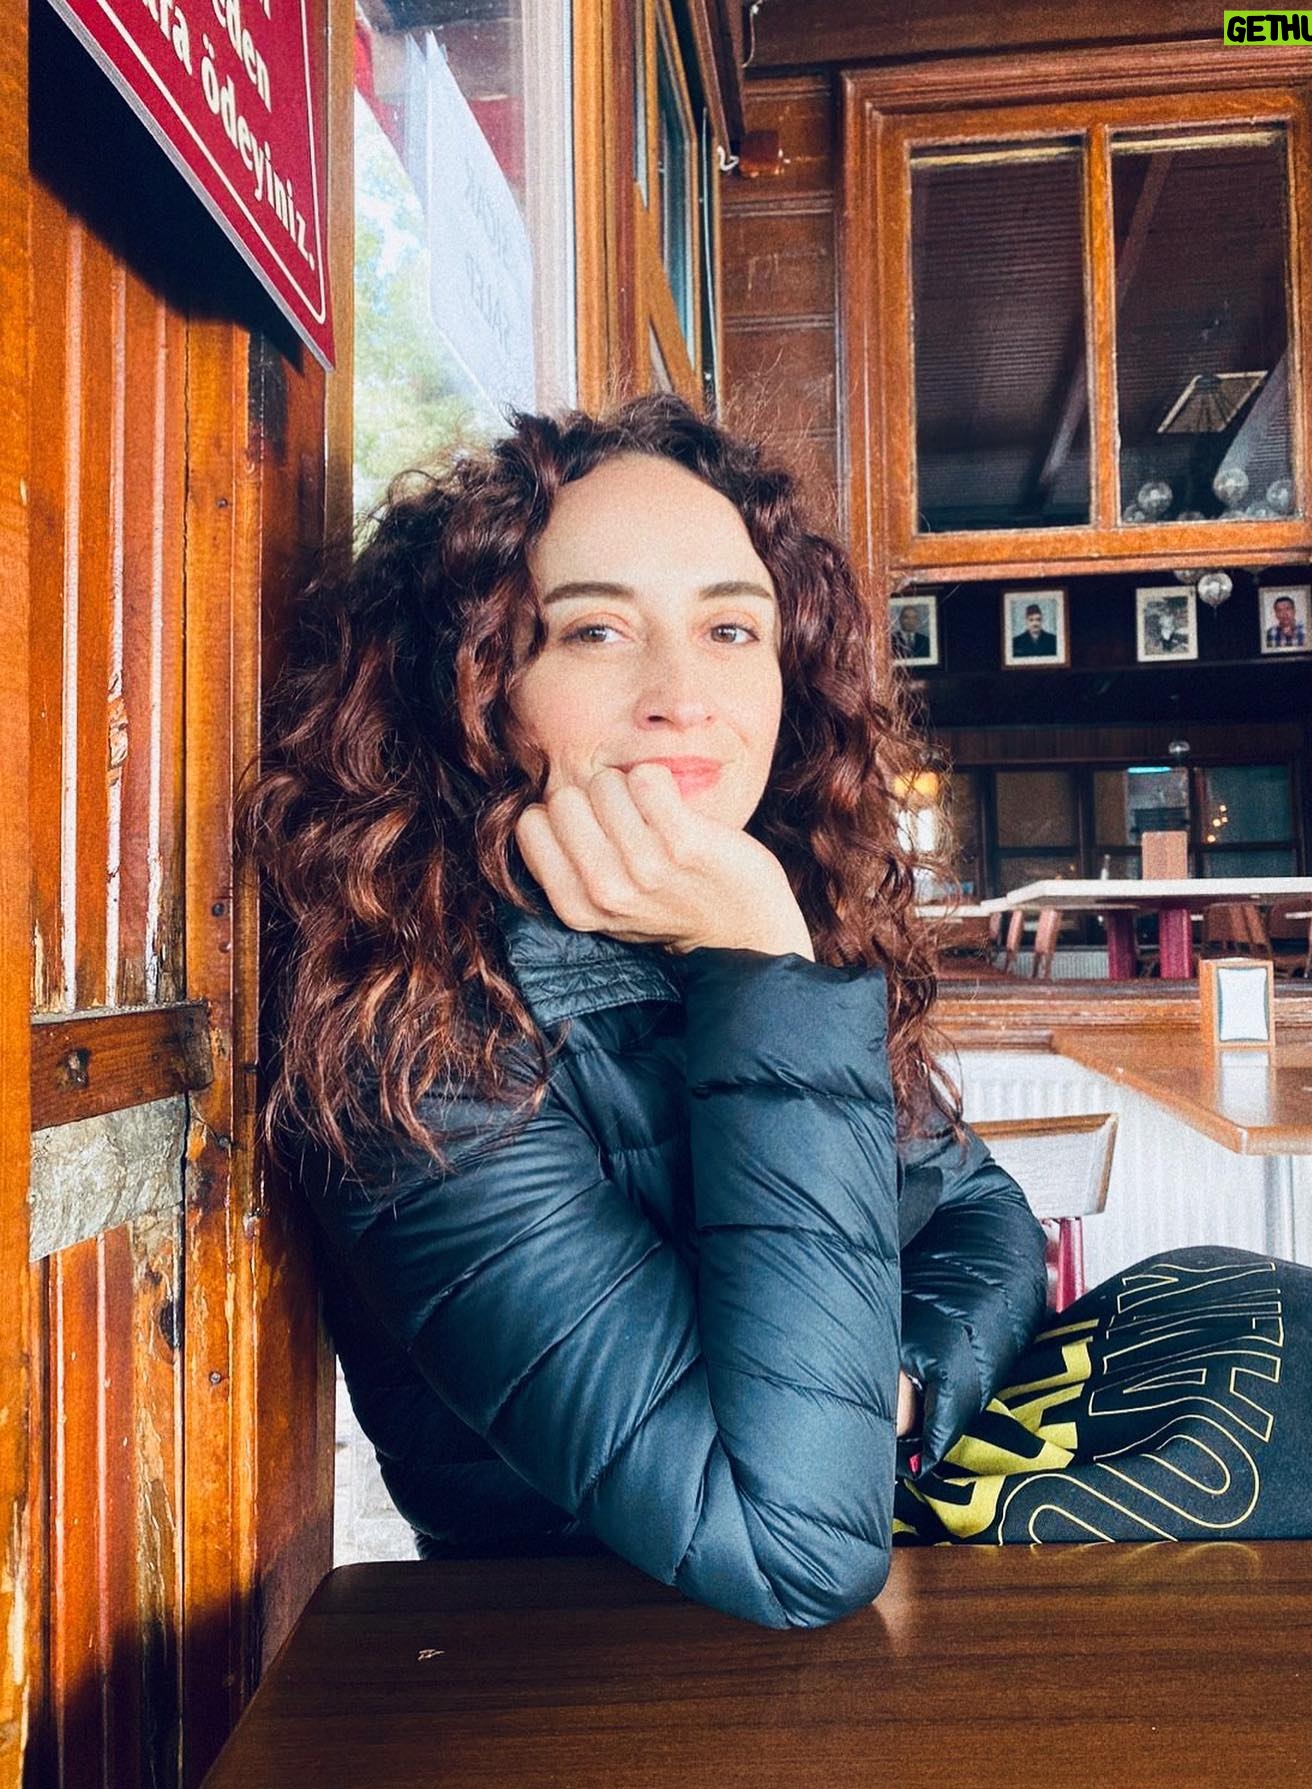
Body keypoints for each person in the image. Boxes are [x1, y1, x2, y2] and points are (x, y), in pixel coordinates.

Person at [238, 395, 1049, 1631]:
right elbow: (789, 1550)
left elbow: (986, 1216)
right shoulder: (409, 1034)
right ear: (469, 683)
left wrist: (886, 1383)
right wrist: (763, 957)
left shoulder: (743, 909)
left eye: (730, 628)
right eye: (595, 630)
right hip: (583, 1681)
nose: (684, 694)